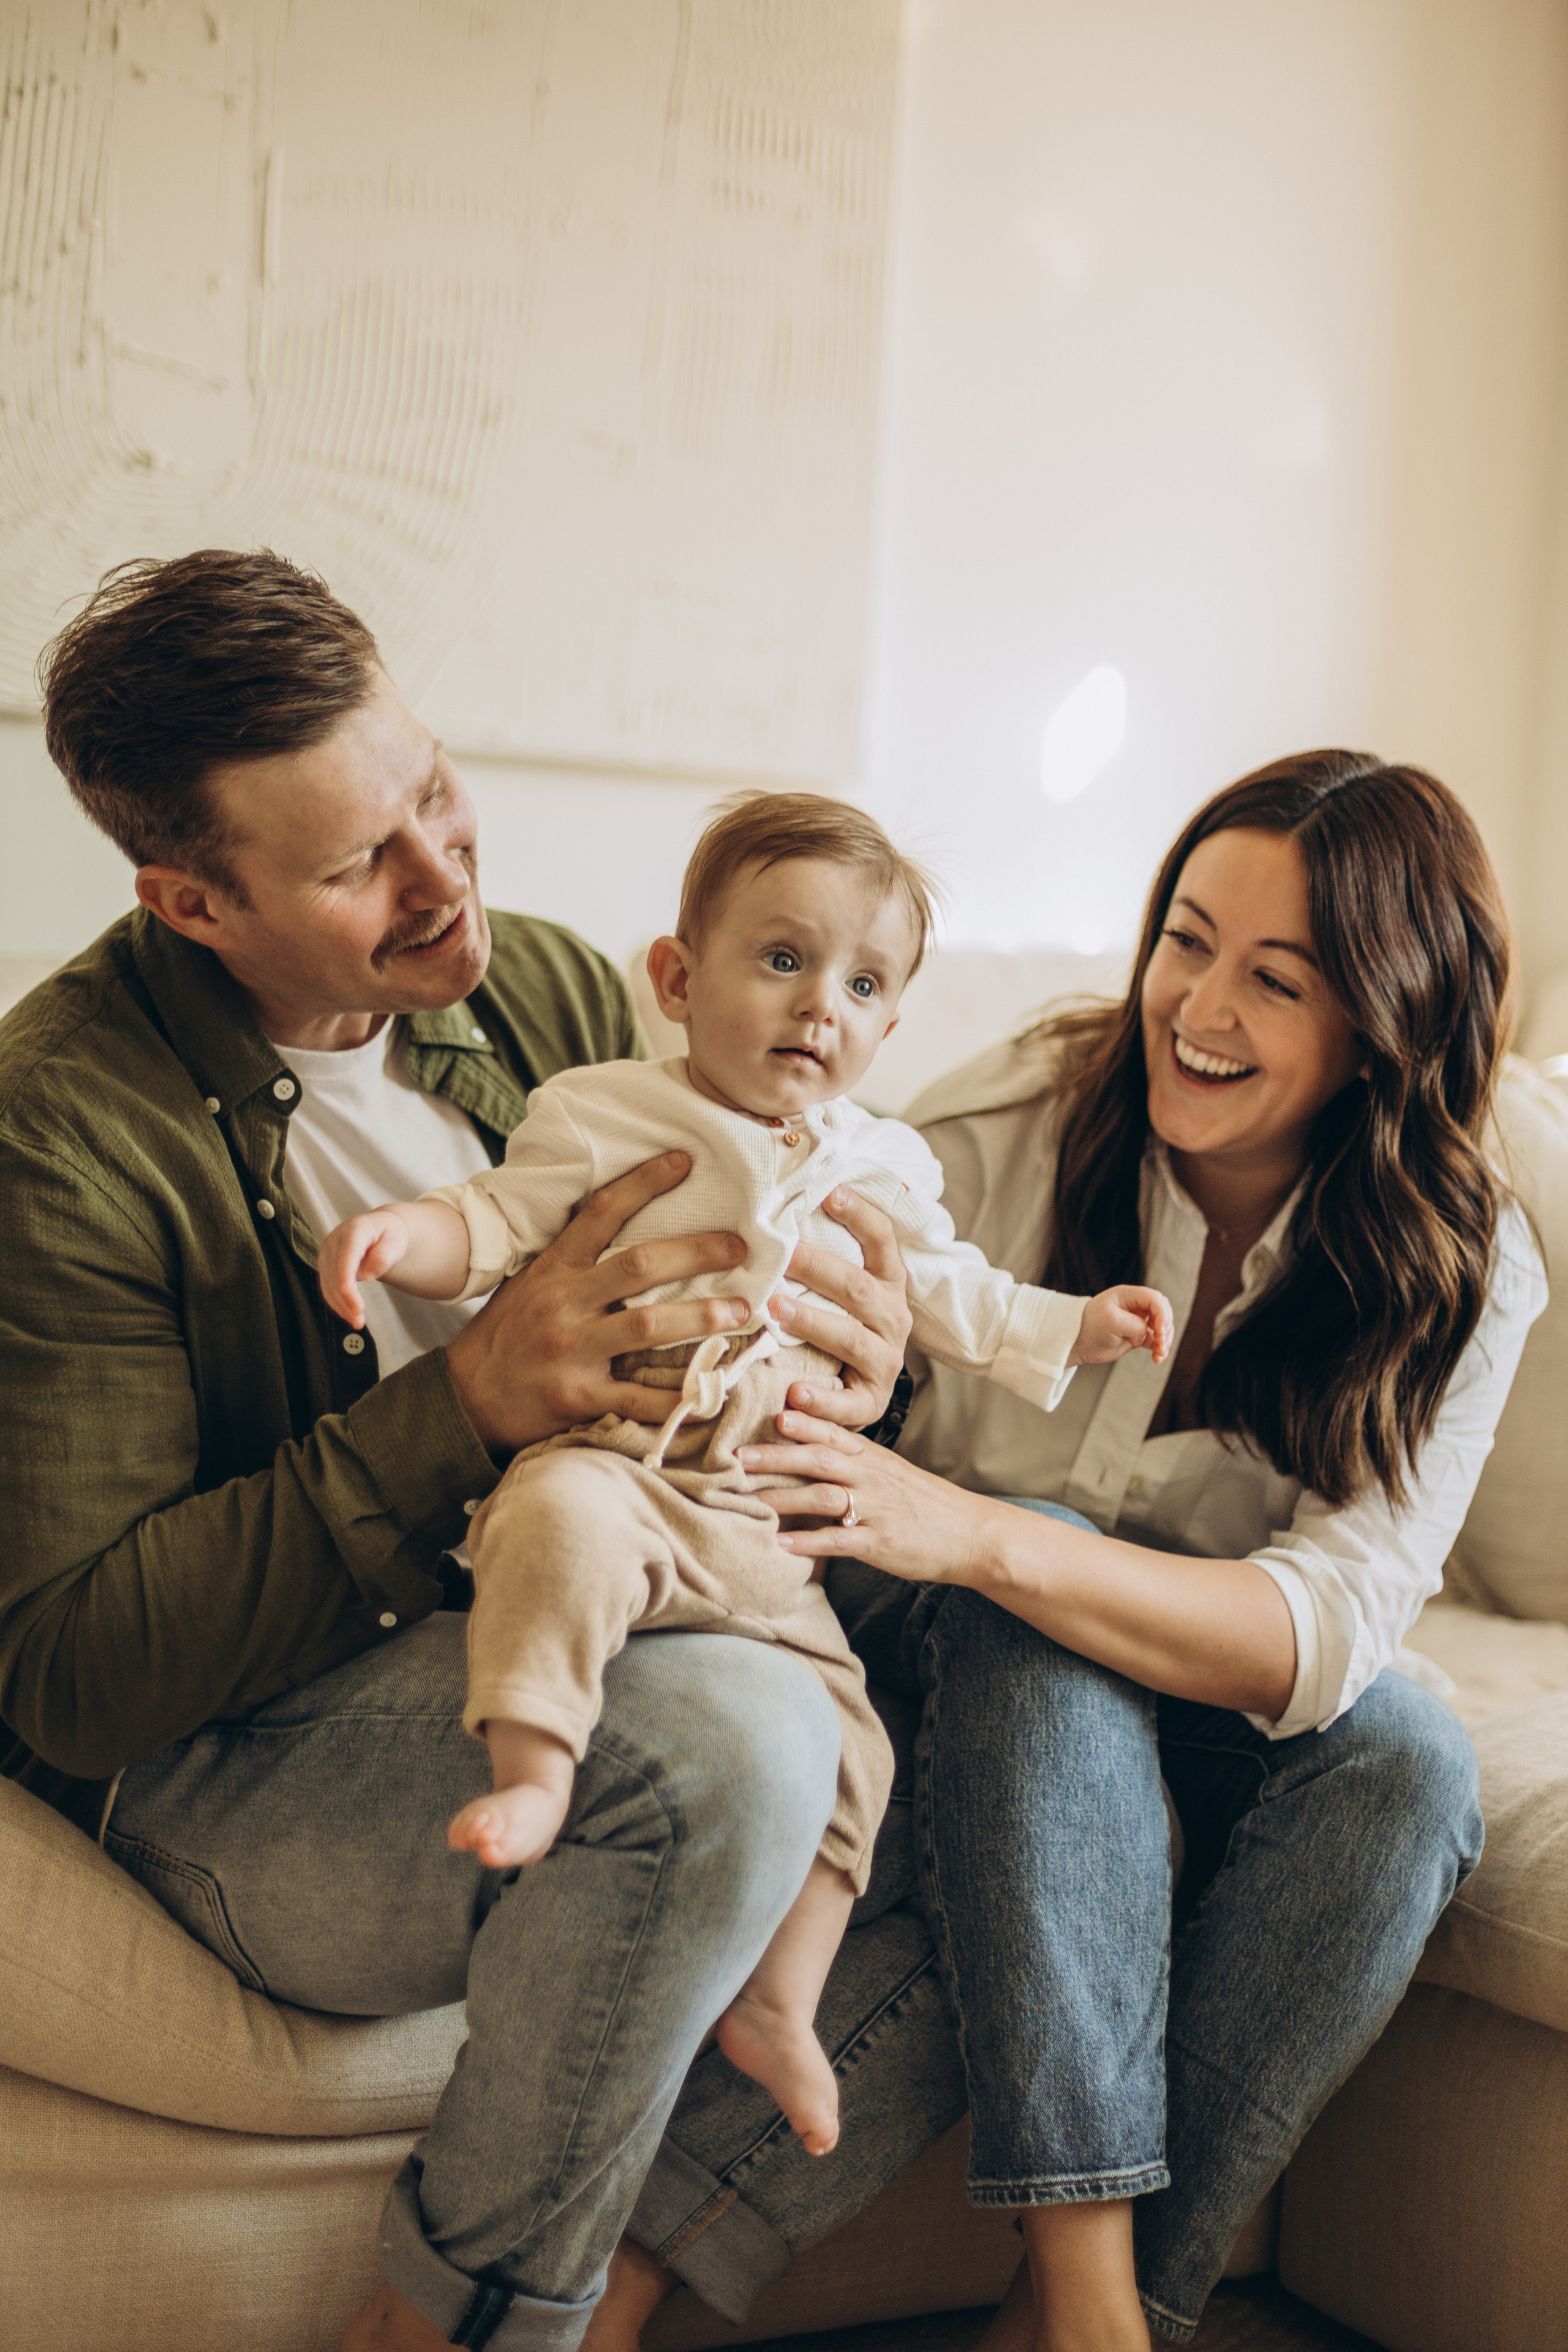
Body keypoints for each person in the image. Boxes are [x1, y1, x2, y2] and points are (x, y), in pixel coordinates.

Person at [0, 549, 970, 2352]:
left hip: (598, 1580)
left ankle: (634, 2283)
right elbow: (70, 1677)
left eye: (434, 794)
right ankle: (469, 2328)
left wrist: (862, 1354)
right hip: (249, 1741)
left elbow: (743, 1263)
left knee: (1013, 1667)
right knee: (728, 1748)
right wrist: (464, 1408)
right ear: (192, 901)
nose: (446, 881)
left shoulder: (540, 989)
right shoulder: (58, 1133)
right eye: (361, 862)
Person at [734, 753, 1547, 2350]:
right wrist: (909, 1454)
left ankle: (1100, 2317)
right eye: (1187, 938)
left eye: (1276, 977)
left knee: (1407, 1767)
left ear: (1385, 1022)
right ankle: (1092, 2314)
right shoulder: (999, 1130)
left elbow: (1328, 1632)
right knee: (1035, 1590)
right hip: (916, 1656)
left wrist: (985, 1539)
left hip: (1141, 1673)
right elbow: (802, 1415)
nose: (1199, 1004)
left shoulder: (1461, 1262)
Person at [317, 790, 1172, 2159]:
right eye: (780, 960)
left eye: (861, 983)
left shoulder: (882, 1162)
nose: (816, 1005)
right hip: (624, 1461)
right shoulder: (603, 1112)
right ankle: (535, 1760)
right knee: (554, 1527)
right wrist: (397, 1240)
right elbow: (491, 1221)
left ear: (889, 1027)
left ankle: (782, 1999)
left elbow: (952, 1295)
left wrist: (1072, 1326)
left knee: (855, 1742)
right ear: (676, 978)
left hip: (762, 1522)